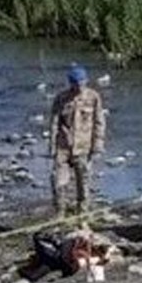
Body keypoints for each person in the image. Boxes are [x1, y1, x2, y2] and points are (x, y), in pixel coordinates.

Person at [49, 63, 105, 217]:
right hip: (63, 147)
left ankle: (82, 216)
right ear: (70, 83)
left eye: (82, 83)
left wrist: (98, 145)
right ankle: (60, 214)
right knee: (58, 182)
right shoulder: (61, 98)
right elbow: (54, 123)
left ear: (86, 81)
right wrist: (52, 146)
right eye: (76, 84)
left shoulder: (93, 97)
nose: (79, 87)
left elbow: (99, 122)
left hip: (84, 147)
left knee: (83, 184)